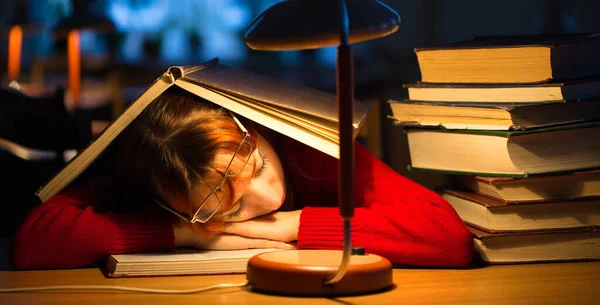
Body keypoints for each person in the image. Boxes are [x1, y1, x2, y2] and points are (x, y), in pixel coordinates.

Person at [9, 88, 473, 270]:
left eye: (258, 167)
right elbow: (31, 243)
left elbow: (447, 236)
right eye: (230, 208)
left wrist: (289, 226)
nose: (268, 196)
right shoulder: (143, 175)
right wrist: (184, 232)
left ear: (251, 132)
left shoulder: (306, 149)